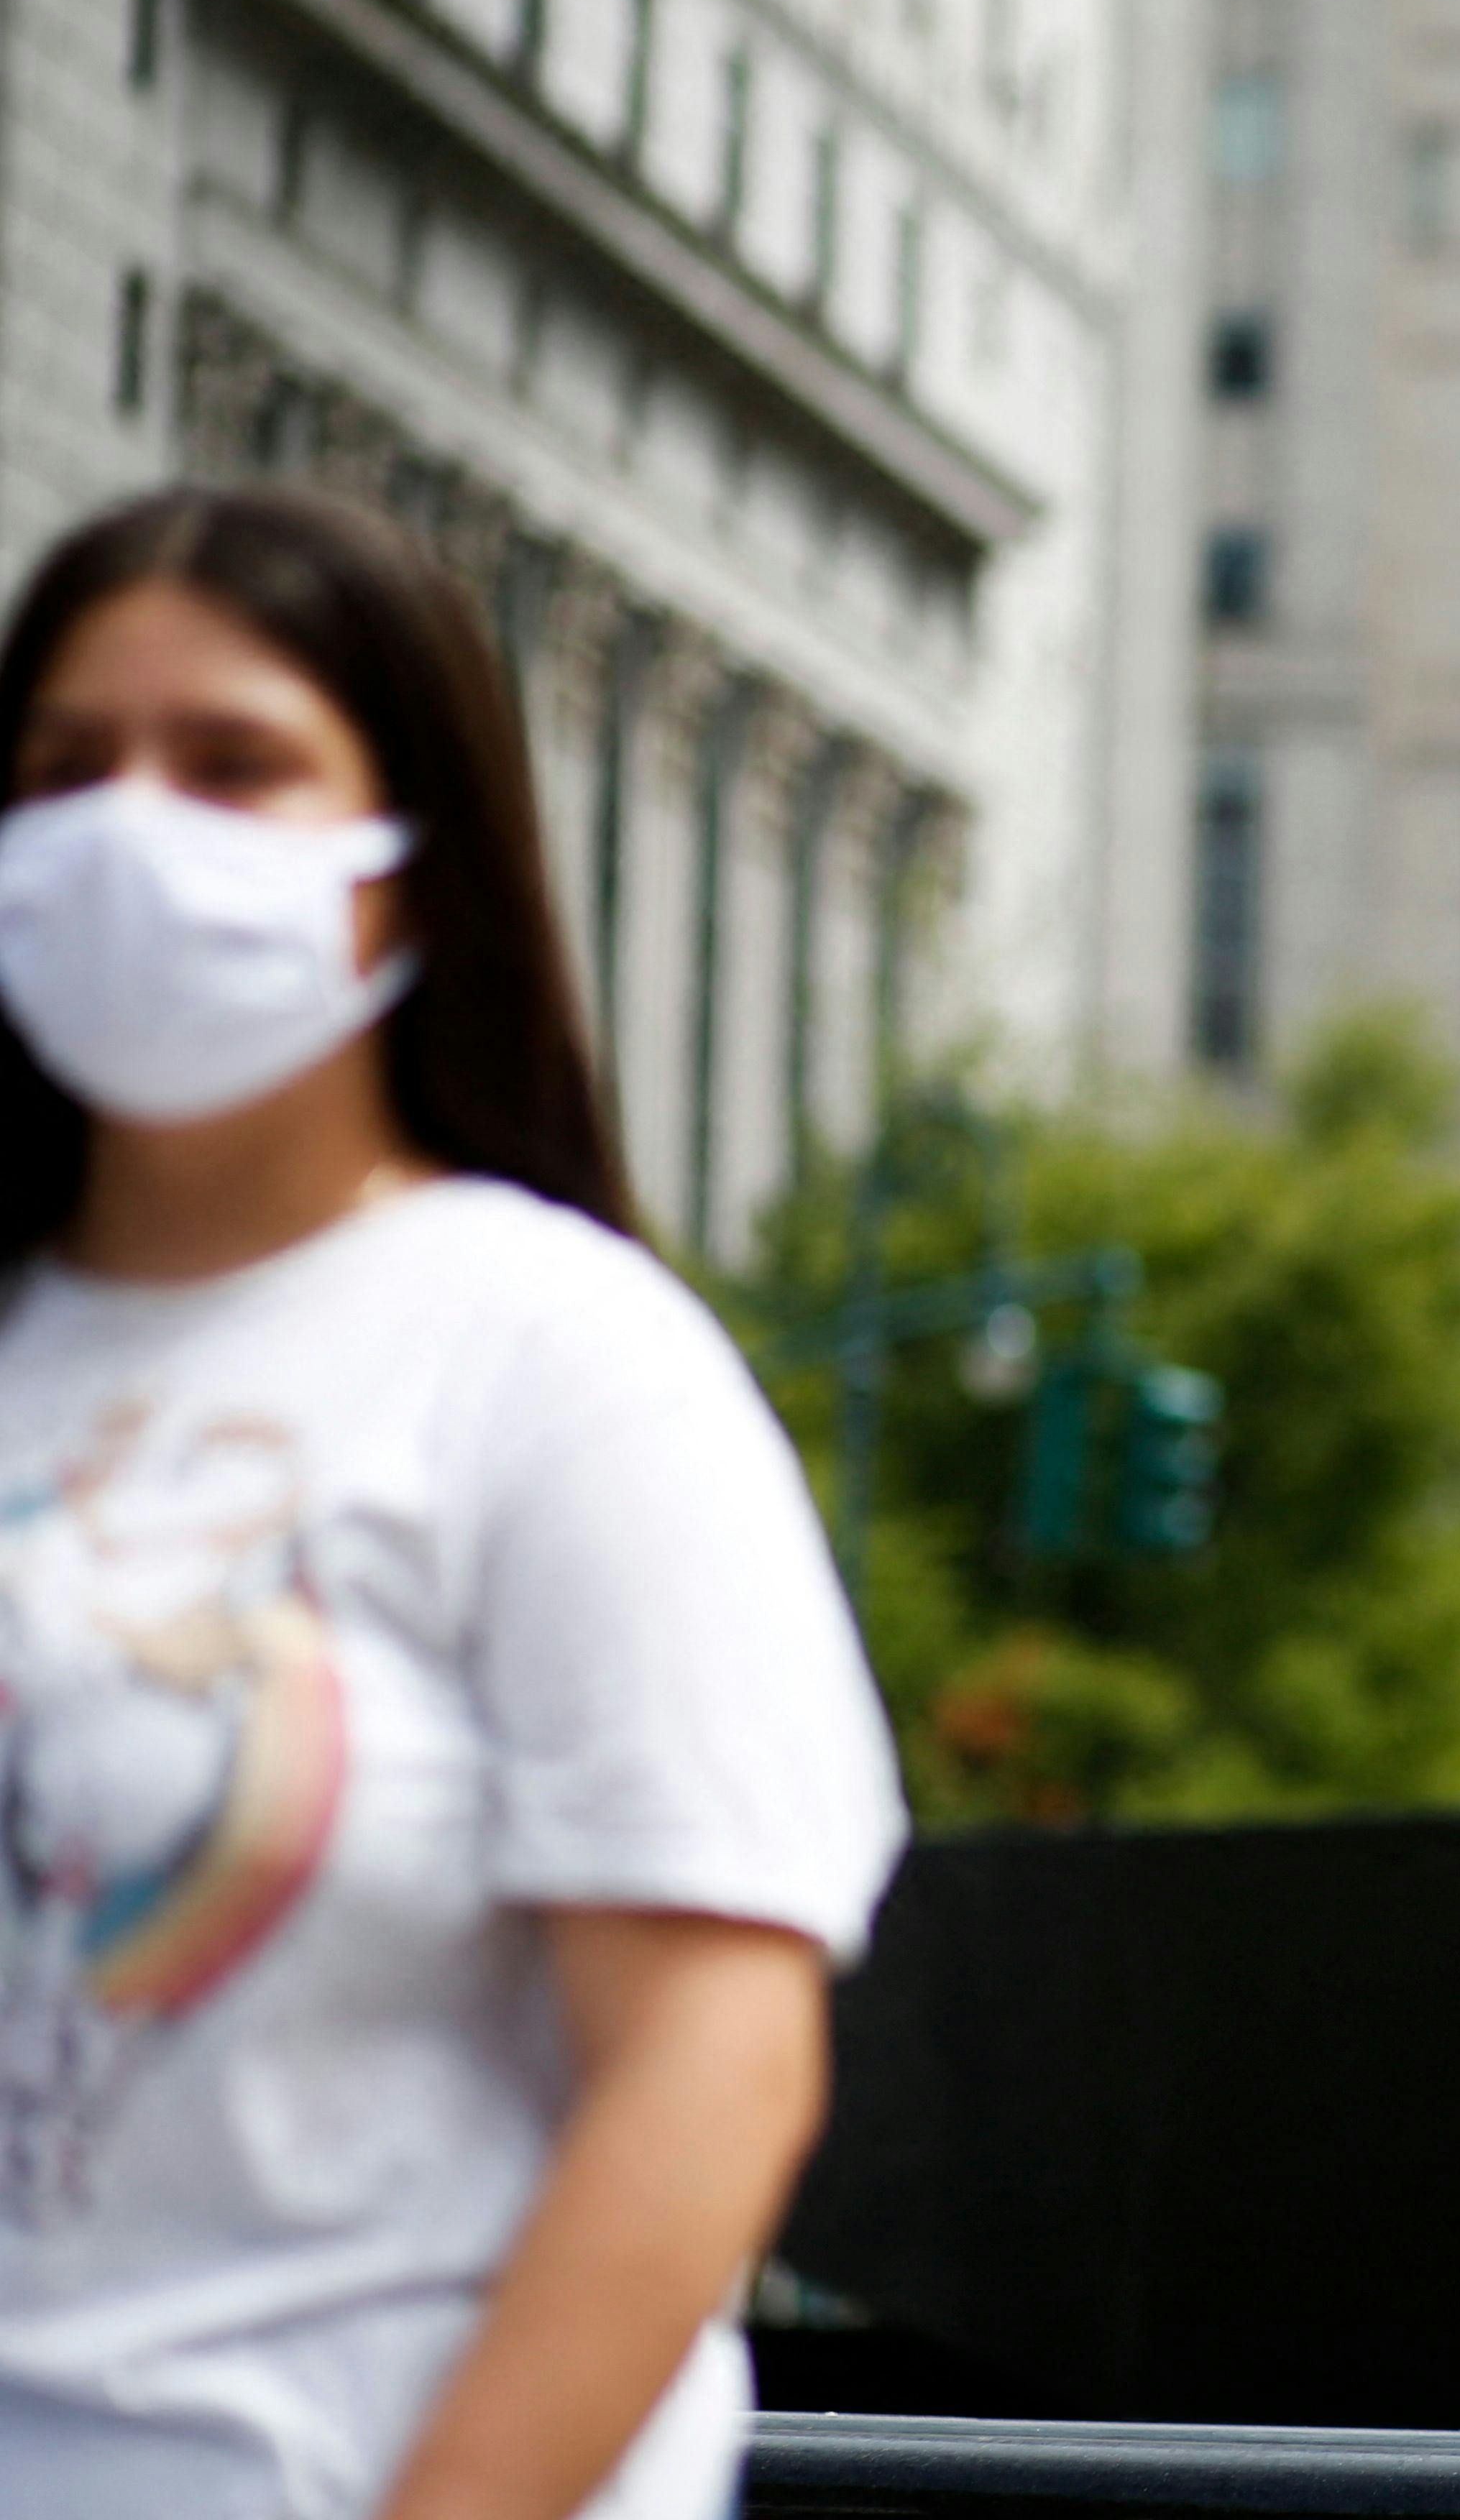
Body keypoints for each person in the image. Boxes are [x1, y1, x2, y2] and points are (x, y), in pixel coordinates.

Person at [0, 487, 906, 2519]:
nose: (131, 827)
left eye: (234, 766)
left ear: (407, 868)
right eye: (62, 772)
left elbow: (709, 2078)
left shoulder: (558, 1362)